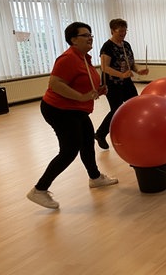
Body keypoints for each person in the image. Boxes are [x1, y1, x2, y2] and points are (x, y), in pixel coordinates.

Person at [27, 22, 118, 209]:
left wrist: (98, 91)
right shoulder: (68, 58)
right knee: (70, 149)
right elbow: (55, 83)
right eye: (85, 35)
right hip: (59, 110)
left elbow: (81, 83)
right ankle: (39, 190)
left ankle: (95, 178)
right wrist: (82, 96)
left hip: (77, 109)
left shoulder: (84, 57)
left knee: (86, 142)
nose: (90, 37)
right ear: (73, 40)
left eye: (90, 34)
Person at [94, 18, 149, 150]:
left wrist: (138, 70)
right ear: (112, 31)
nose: (123, 33)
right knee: (116, 110)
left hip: (126, 82)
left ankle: (134, 132)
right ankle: (100, 134)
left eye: (125, 30)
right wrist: (121, 74)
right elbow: (105, 67)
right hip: (112, 83)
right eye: (120, 31)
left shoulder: (126, 45)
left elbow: (131, 63)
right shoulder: (107, 47)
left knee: (135, 106)